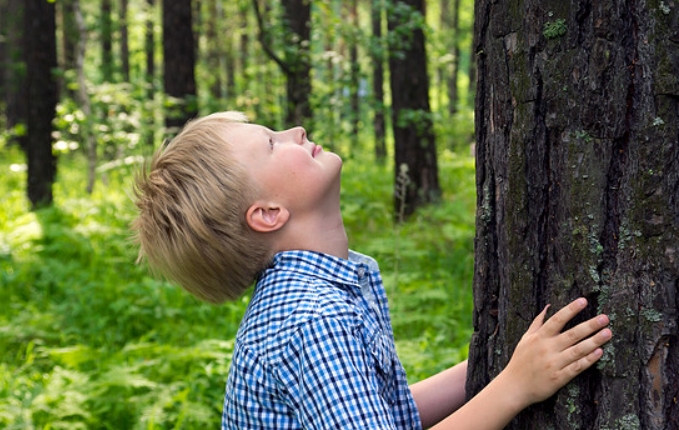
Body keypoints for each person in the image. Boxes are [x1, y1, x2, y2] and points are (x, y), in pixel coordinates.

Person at [132, 111, 613, 430]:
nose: (295, 130)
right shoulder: (310, 320)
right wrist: (515, 387)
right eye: (273, 145)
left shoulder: (317, 293)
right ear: (267, 213)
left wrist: (494, 368)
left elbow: (383, 414)